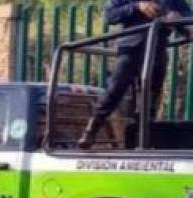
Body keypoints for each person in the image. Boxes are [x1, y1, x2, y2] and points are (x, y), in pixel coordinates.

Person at [79, 0, 192, 149]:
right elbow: (109, 15)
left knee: (150, 97)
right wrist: (137, 7)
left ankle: (141, 139)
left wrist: (178, 19)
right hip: (130, 48)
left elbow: (188, 21)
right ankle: (91, 129)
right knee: (115, 89)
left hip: (157, 49)